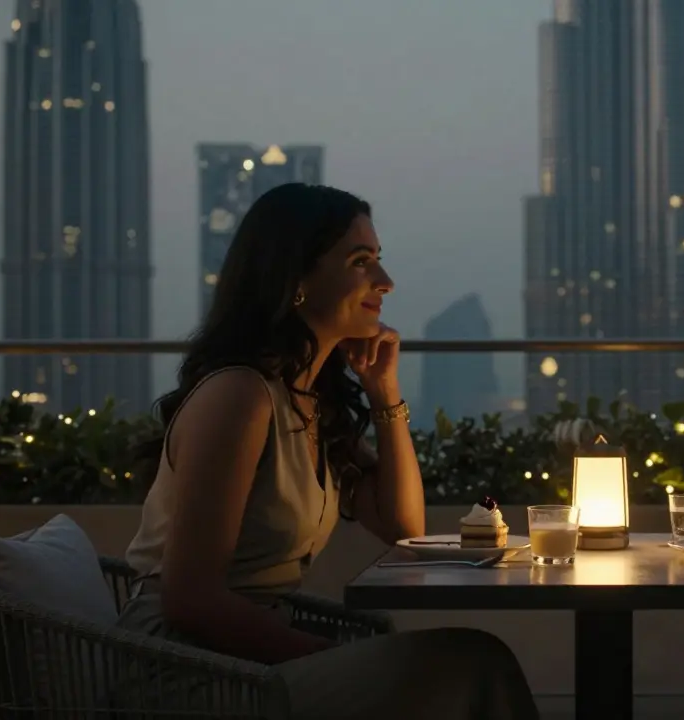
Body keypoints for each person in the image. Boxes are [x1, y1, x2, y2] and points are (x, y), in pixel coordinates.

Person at [119, 183, 539, 720]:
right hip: (183, 669)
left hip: (252, 656)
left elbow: (403, 525)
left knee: (474, 662)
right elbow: (190, 600)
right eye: (360, 262)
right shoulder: (241, 396)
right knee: (471, 661)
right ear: (295, 279)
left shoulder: (312, 402)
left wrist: (384, 392)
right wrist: (325, 655)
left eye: (378, 259)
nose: (384, 281)